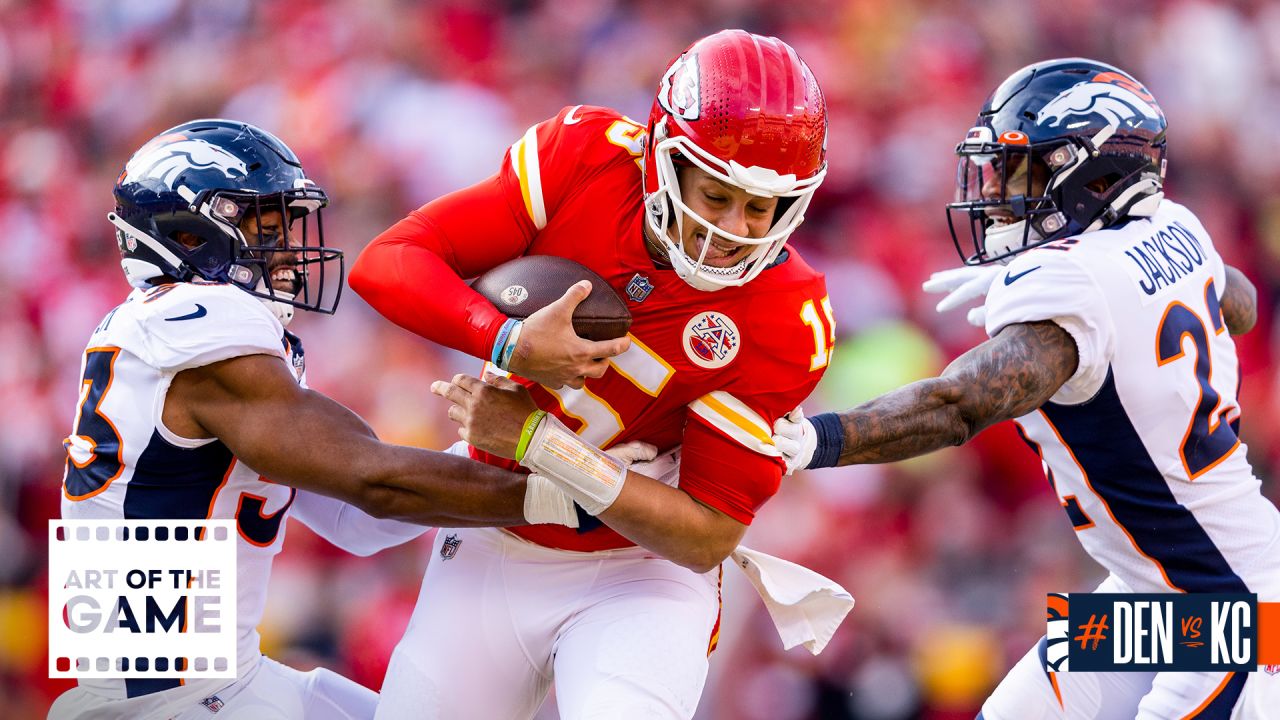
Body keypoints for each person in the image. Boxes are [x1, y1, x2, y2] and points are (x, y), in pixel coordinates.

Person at [349, 29, 834, 720]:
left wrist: (539, 443)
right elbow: (390, 259)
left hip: (639, 572)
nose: (733, 227)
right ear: (663, 156)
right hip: (494, 538)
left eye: (760, 207)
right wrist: (509, 343)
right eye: (717, 192)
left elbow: (706, 533)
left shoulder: (787, 314)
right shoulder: (584, 161)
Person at [772, 59, 1277, 719]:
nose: (1002, 193)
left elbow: (956, 408)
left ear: (1095, 177)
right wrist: (1142, 299)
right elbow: (1233, 302)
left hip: (1234, 620)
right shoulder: (1176, 230)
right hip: (1151, 593)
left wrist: (820, 438)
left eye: (1025, 171)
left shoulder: (1077, 289)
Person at [51, 119, 587, 720]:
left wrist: (508, 450)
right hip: (165, 703)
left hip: (211, 680)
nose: (285, 249)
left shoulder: (162, 331)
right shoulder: (198, 322)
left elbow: (354, 520)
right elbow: (376, 483)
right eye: (263, 226)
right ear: (189, 233)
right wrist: (570, 490)